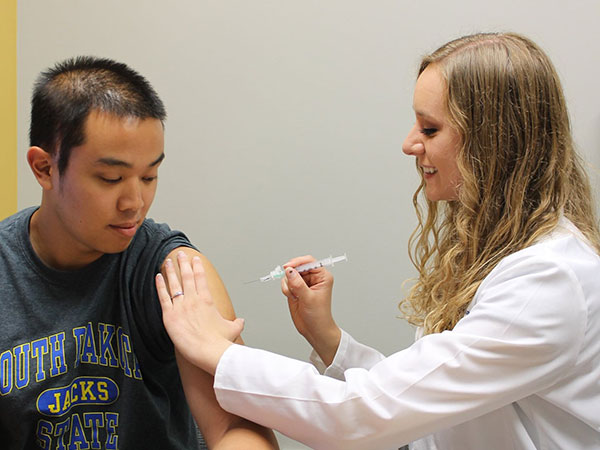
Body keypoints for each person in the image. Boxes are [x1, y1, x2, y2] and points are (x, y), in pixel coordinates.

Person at [156, 32, 600, 450]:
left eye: (429, 130)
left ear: (494, 142)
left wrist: (214, 350)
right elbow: (424, 408)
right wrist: (327, 337)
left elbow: (367, 414)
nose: (410, 144)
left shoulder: (547, 281)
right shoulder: (514, 259)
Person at [0, 57, 278, 449]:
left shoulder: (175, 271)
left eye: (149, 176)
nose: (135, 202)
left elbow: (242, 430)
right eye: (110, 178)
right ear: (44, 168)